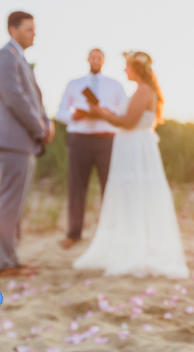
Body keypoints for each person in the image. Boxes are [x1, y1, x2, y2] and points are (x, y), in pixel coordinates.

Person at [73, 51, 189, 278]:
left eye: (127, 66)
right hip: (132, 146)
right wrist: (106, 112)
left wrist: (99, 113)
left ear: (137, 68)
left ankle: (137, 250)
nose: (125, 70)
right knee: (132, 195)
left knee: (133, 194)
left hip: (135, 148)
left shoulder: (144, 90)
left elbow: (127, 122)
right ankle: (134, 245)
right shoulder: (141, 90)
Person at [0, 11, 54, 277]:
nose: (34, 33)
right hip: (12, 142)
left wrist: (46, 124)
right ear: (12, 30)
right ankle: (1, 264)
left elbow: (34, 99)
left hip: (24, 144)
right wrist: (40, 129)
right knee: (6, 205)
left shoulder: (20, 59)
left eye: (34, 29)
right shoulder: (4, 57)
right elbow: (16, 99)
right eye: (29, 29)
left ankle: (11, 260)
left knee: (15, 206)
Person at [55, 49, 127, 249]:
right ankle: (74, 233)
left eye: (99, 57)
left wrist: (105, 112)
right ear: (88, 59)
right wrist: (74, 116)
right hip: (80, 140)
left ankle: (111, 233)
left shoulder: (115, 85)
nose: (96, 60)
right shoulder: (74, 84)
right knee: (77, 188)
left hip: (107, 140)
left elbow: (124, 111)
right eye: (93, 57)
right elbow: (60, 111)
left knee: (110, 187)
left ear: (103, 61)